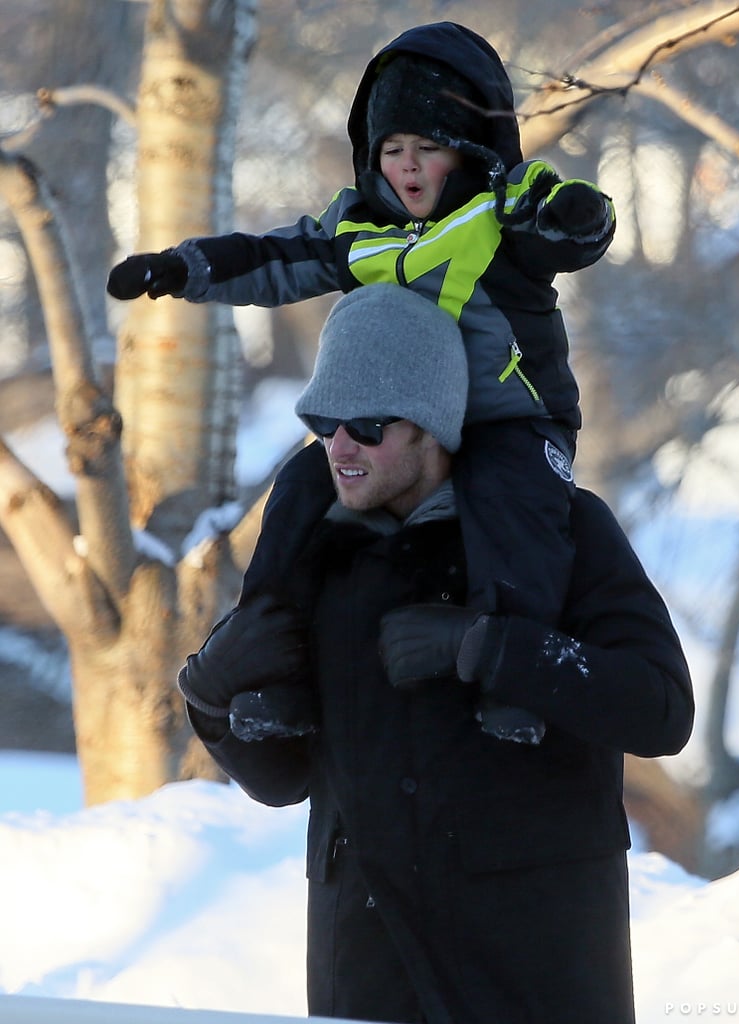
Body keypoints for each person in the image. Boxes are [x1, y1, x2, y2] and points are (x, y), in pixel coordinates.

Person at [178, 284, 694, 1024]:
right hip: (366, 971)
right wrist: (210, 699)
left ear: (431, 428)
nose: (340, 446)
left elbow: (660, 709)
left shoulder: (560, 533)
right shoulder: (312, 555)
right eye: (325, 422)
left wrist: (492, 648)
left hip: (531, 972)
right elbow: (283, 780)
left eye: (367, 424)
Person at [109, 21, 616, 743]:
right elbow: (273, 259)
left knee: (513, 504)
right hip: (393, 425)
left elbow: (573, 230)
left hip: (511, 419)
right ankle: (272, 672)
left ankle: (513, 676)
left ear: (468, 152)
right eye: (393, 150)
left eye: (429, 149)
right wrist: (181, 269)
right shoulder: (357, 229)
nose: (408, 169)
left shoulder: (502, 216)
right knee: (298, 493)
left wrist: (580, 216)